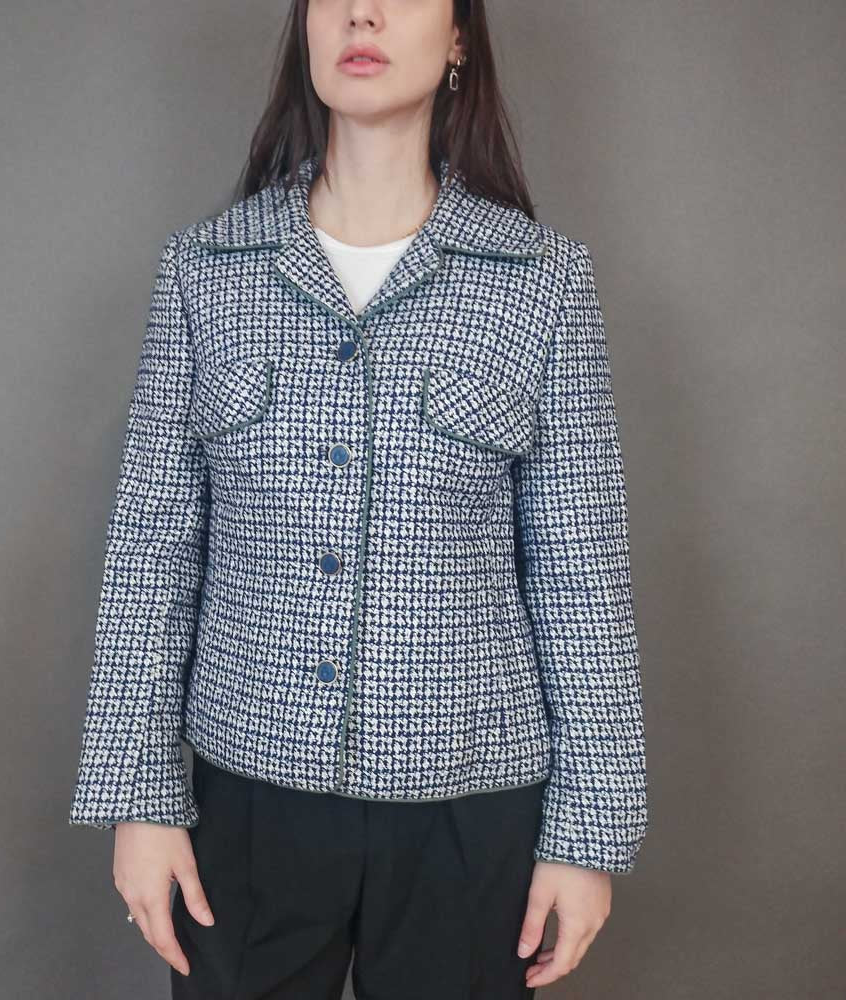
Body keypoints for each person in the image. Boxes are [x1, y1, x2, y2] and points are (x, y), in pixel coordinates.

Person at [69, 1, 649, 997]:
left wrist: (587, 833)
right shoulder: (207, 271)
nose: (362, 12)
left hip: (471, 807)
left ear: (459, 36)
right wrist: (140, 796)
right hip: (247, 798)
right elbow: (150, 553)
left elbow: (580, 574)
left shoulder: (540, 281)